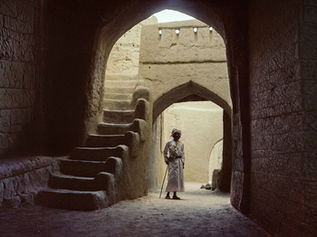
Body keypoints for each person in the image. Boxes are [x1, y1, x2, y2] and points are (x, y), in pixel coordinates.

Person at [163, 128, 185, 200]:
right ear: (173, 135)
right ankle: (168, 194)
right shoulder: (169, 143)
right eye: (176, 134)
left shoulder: (181, 144)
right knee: (171, 177)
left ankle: (175, 194)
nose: (177, 135)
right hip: (172, 162)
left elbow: (183, 153)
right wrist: (166, 159)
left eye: (178, 134)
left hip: (179, 162)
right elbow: (165, 152)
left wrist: (183, 162)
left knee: (177, 178)